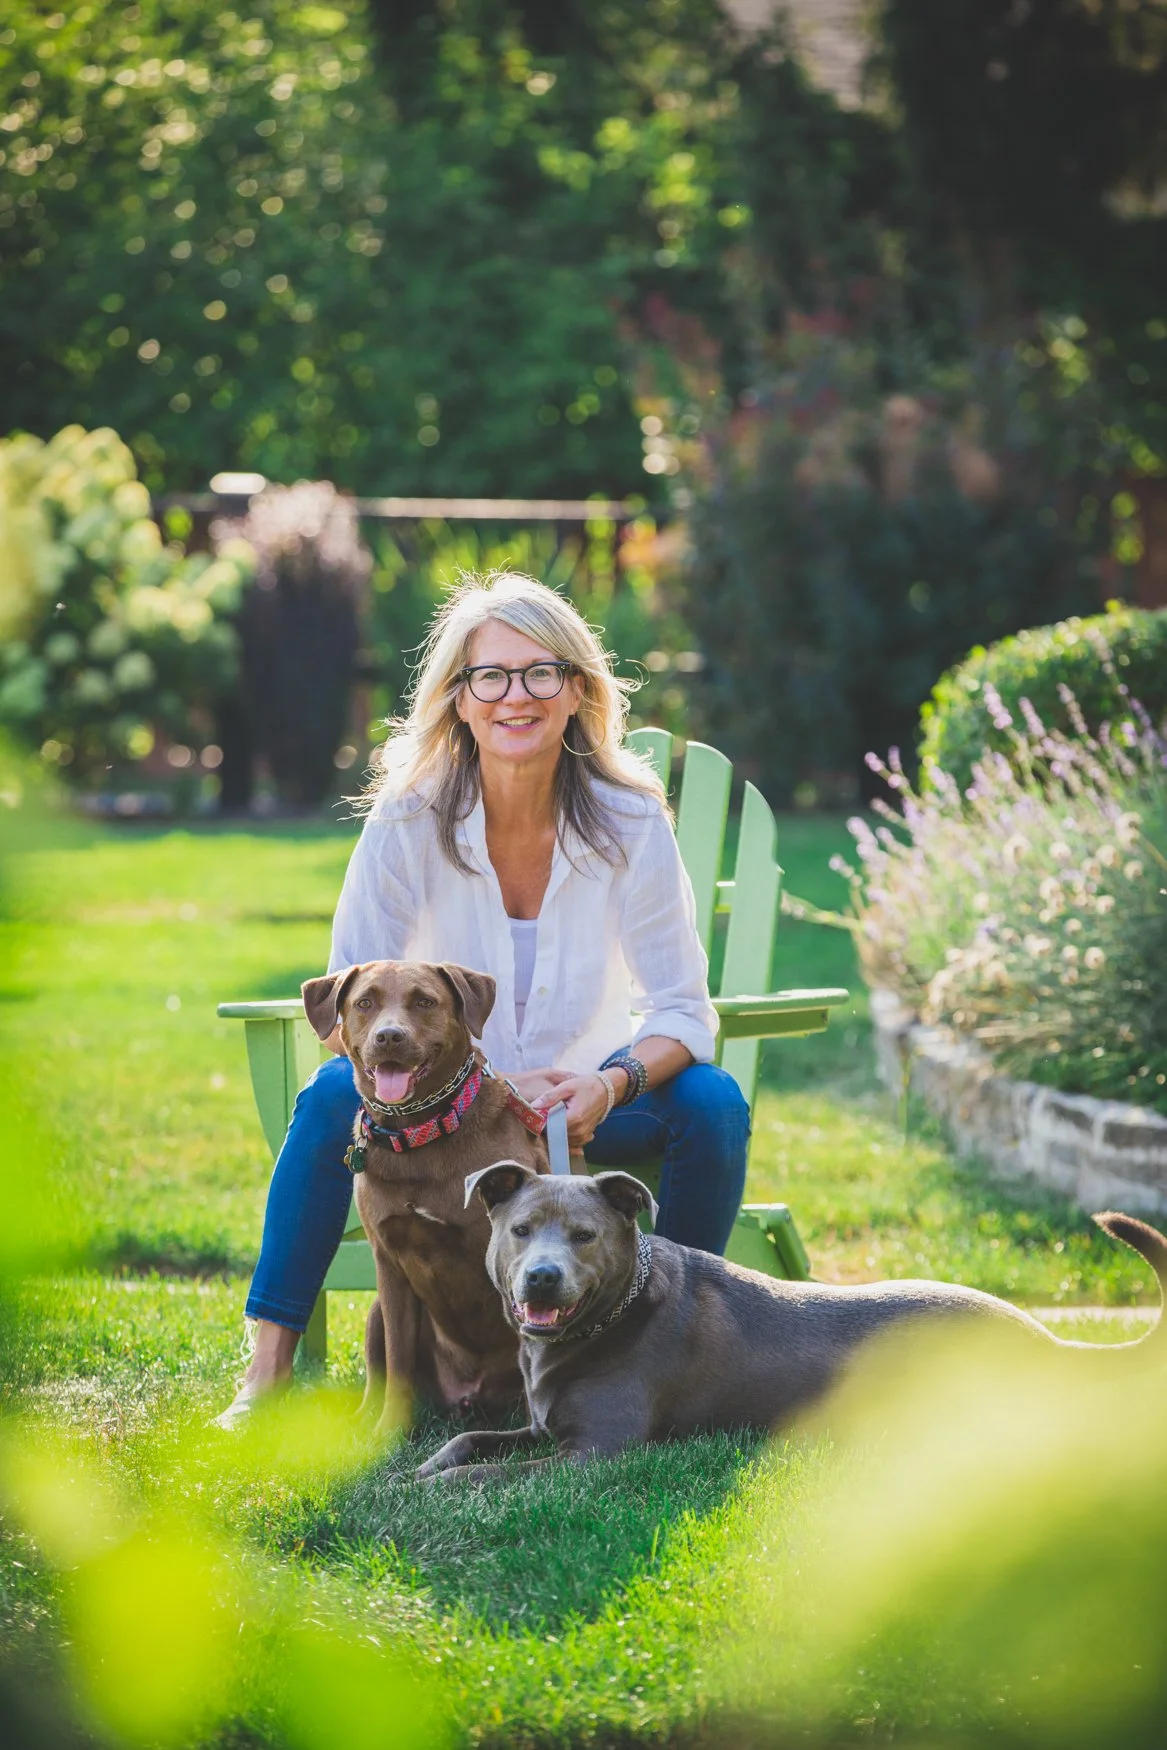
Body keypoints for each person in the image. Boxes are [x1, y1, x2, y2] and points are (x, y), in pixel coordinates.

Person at [218, 571, 749, 1421]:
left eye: (541, 672)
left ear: (577, 690)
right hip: (445, 1110)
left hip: (588, 1105)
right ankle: (265, 1376)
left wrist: (606, 1084)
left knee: (712, 1105)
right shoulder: (407, 819)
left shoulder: (630, 821)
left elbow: (684, 1007)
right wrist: (479, 1092)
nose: (516, 696)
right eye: (489, 676)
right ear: (457, 700)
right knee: (327, 1101)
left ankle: (661, 1353)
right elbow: (350, 999)